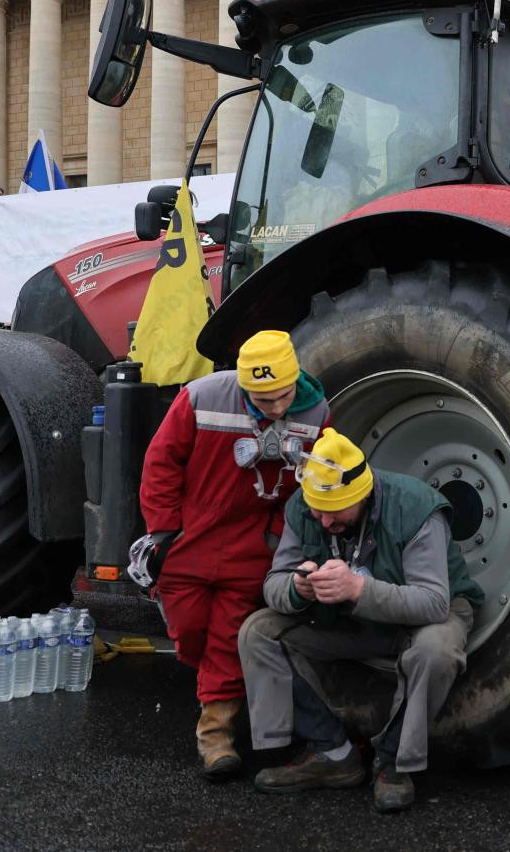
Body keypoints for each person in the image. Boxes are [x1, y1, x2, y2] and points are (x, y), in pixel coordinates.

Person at [241, 427, 484, 812]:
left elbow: (434, 603)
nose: (324, 521)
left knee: (437, 651)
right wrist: (296, 589)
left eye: (335, 511)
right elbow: (274, 582)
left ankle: (393, 763)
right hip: (356, 620)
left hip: (423, 619)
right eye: (318, 510)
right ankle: (332, 753)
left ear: (363, 495)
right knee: (259, 632)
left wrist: (357, 589)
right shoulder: (304, 507)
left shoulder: (416, 508)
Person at [138, 330, 329, 778]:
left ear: (295, 379)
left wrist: (277, 540)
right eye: (263, 400)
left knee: (228, 640)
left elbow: (310, 488)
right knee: (190, 630)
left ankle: (216, 738)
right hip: (189, 542)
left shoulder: (318, 413)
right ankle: (215, 695)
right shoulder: (199, 398)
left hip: (251, 547)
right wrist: (165, 532)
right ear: (244, 385)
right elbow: (161, 463)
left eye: (283, 397)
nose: (276, 408)